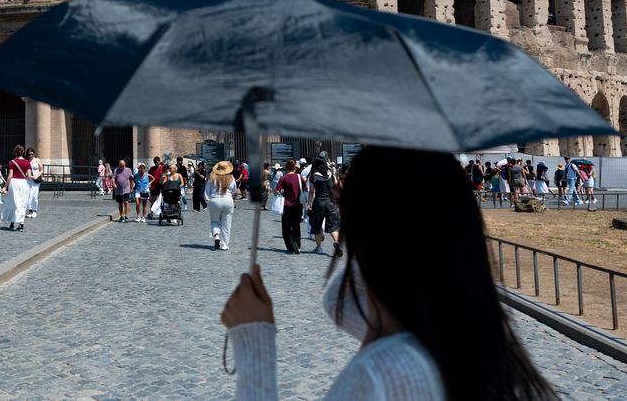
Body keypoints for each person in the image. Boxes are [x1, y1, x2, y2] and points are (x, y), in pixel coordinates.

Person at [221, 147, 556, 401]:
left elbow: (344, 305)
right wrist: (363, 223)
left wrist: (254, 342)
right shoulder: (454, 338)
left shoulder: (381, 373)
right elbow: (344, 306)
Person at [308, 154, 341, 257]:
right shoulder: (330, 173)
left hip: (319, 202)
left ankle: (319, 248)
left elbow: (311, 191)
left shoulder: (313, 176)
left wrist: (308, 204)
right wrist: (334, 174)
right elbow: (336, 186)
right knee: (334, 227)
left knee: (317, 226)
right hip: (331, 202)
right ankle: (336, 242)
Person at [204, 161, 237, 250]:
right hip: (227, 200)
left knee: (214, 221)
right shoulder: (231, 177)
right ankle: (224, 244)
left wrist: (208, 200)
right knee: (226, 223)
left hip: (215, 200)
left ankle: (217, 235)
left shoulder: (212, 177)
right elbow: (234, 190)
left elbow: (207, 191)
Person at [276, 159, 304, 254]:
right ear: (295, 168)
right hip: (298, 205)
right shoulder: (300, 177)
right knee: (296, 225)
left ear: (286, 168)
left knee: (286, 227)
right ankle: (297, 243)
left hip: (286, 205)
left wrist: (282, 191)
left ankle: (290, 245)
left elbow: (277, 191)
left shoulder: (283, 178)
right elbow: (305, 188)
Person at [1, 145, 31, 231]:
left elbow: (10, 175)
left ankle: (12, 221)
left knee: (13, 202)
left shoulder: (12, 162)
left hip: (14, 182)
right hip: (24, 183)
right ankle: (21, 223)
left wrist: (5, 186)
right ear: (23, 152)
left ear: (15, 152)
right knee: (22, 203)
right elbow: (28, 175)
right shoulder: (27, 162)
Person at [25, 147, 43, 218]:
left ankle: (35, 211)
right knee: (29, 196)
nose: (30, 155)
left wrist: (36, 176)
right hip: (28, 180)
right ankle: (30, 211)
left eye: (32, 154)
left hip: (36, 180)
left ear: (34, 154)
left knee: (34, 196)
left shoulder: (37, 160)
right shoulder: (26, 161)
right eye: (29, 154)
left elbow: (41, 170)